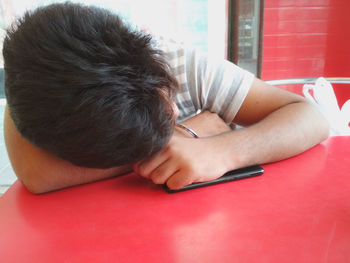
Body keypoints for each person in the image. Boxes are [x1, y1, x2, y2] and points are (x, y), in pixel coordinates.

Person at [3, 2, 329, 194]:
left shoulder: (178, 61)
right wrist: (190, 132)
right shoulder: (37, 102)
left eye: (166, 98)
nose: (173, 110)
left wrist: (220, 151)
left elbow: (310, 117)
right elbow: (38, 176)